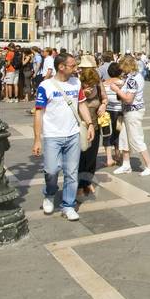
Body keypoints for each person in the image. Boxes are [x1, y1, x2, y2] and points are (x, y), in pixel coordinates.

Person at [33, 51, 95, 221]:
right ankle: (50, 193)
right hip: (52, 135)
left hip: (73, 133)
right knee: (51, 170)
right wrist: (37, 139)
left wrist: (89, 124)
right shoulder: (45, 86)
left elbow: (82, 105)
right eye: (73, 65)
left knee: (71, 172)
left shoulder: (76, 83)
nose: (76, 68)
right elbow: (38, 113)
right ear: (61, 67)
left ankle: (68, 205)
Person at [112, 54, 150, 176]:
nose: (120, 69)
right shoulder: (134, 76)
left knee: (136, 138)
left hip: (133, 111)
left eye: (122, 66)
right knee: (124, 137)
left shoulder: (132, 79)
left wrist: (116, 90)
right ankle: (126, 164)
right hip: (130, 111)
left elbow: (128, 99)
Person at [76, 62, 106, 199]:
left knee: (92, 157)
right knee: (81, 157)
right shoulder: (76, 86)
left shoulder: (98, 85)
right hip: (80, 127)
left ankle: (87, 182)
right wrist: (82, 94)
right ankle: (79, 186)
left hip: (95, 126)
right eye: (88, 84)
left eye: (93, 84)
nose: (91, 86)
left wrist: (103, 105)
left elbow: (105, 99)